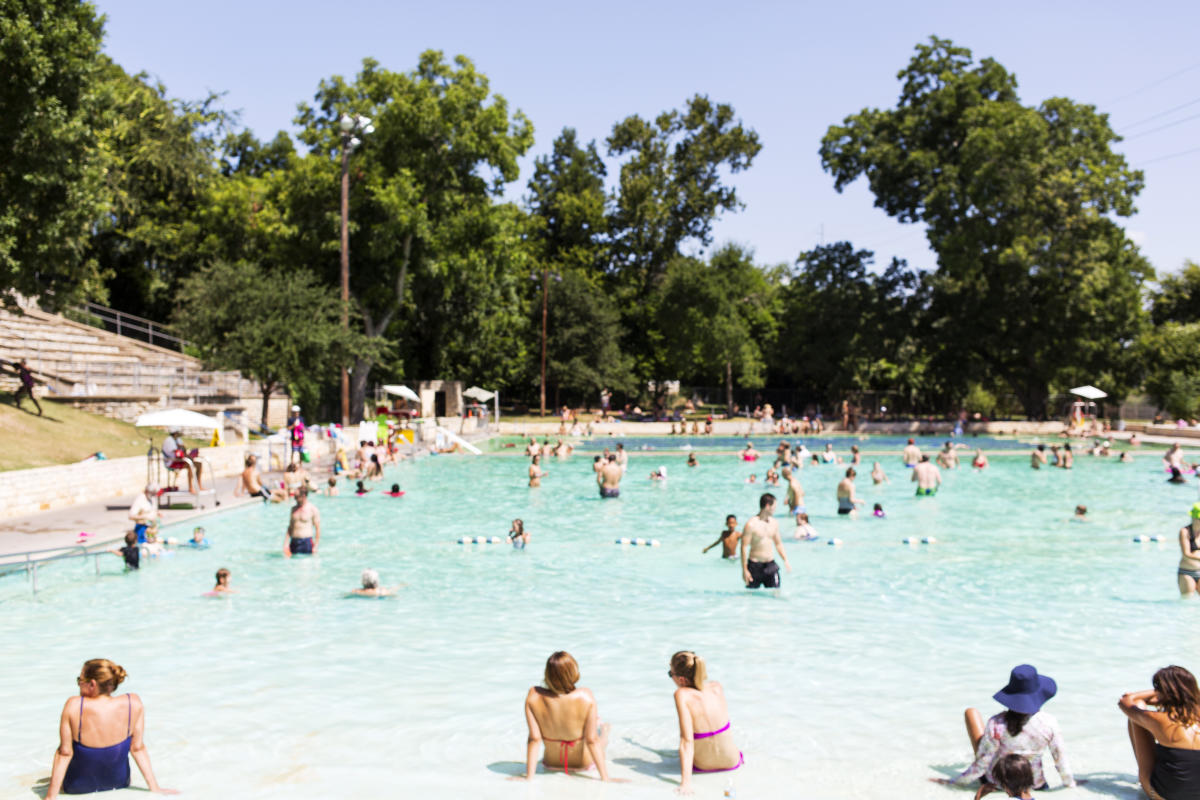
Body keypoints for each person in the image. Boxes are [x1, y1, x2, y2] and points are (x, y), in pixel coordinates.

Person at [45, 659, 176, 798]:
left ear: (92, 684)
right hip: (120, 782)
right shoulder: (133, 703)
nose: (78, 684)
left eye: (80, 680)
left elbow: (64, 753)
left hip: (77, 787)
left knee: (44, 780)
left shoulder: (74, 705)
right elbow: (137, 748)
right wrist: (155, 788)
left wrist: (50, 797)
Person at [938, 664, 1076, 792]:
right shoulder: (1049, 723)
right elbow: (1060, 760)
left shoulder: (996, 723)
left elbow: (981, 764)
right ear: (1040, 695)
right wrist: (1070, 784)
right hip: (1034, 785)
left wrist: (954, 783)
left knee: (971, 713)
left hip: (997, 784)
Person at [515, 651, 618, 781]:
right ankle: (604, 730)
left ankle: (601, 727)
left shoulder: (533, 695)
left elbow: (534, 739)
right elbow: (592, 740)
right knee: (600, 738)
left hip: (551, 764)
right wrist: (605, 778)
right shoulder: (585, 695)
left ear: (547, 673)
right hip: (583, 765)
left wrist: (529, 777)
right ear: (573, 672)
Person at [1119, 665, 1200, 800]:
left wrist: (1161, 692)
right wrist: (1180, 692)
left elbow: (1126, 701)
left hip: (1162, 796)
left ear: (1163, 691)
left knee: (1137, 710)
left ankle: (1147, 784)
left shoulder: (1160, 720)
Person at [667, 650, 743, 792]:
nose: (671, 677)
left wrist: (686, 783)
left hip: (703, 766)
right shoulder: (716, 687)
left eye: (671, 674)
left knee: (676, 755)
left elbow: (686, 741)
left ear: (681, 679)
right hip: (733, 761)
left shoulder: (682, 695)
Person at [740, 493, 791, 589]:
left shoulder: (774, 523)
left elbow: (778, 543)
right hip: (755, 566)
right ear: (768, 506)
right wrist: (744, 570)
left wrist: (785, 560)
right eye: (774, 506)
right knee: (751, 597)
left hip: (770, 565)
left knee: (776, 593)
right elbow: (744, 546)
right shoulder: (751, 524)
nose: (775, 509)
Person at [283, 488, 320, 557]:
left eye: (296, 497)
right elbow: (290, 527)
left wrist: (316, 546)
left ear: (303, 496)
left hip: (306, 542)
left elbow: (317, 528)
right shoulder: (293, 509)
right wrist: (286, 544)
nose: (295, 499)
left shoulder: (312, 509)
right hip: (294, 542)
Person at [1177, 504, 1200, 597]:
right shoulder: (1185, 531)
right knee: (1187, 600)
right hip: (1187, 572)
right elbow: (1186, 554)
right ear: (1193, 518)